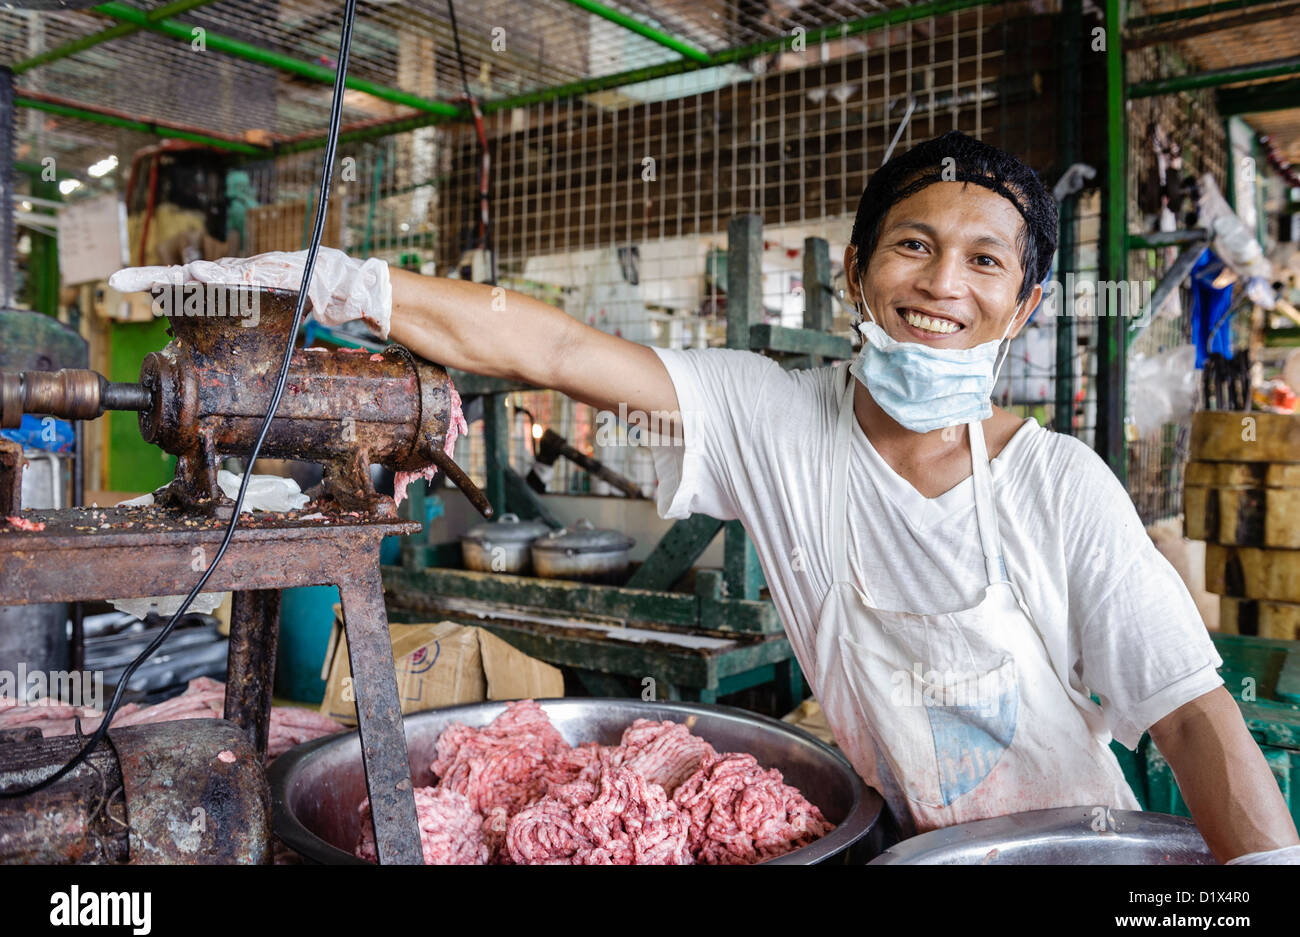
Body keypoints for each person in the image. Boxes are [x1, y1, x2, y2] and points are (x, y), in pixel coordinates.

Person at [111, 130, 1299, 863]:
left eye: (985, 260)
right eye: (912, 245)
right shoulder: (774, 414)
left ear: (1026, 307)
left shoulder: (1059, 487)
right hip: (889, 842)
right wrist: (350, 283)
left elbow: (1192, 715)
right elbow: (557, 348)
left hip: (1056, 851)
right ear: (855, 270)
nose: (942, 283)